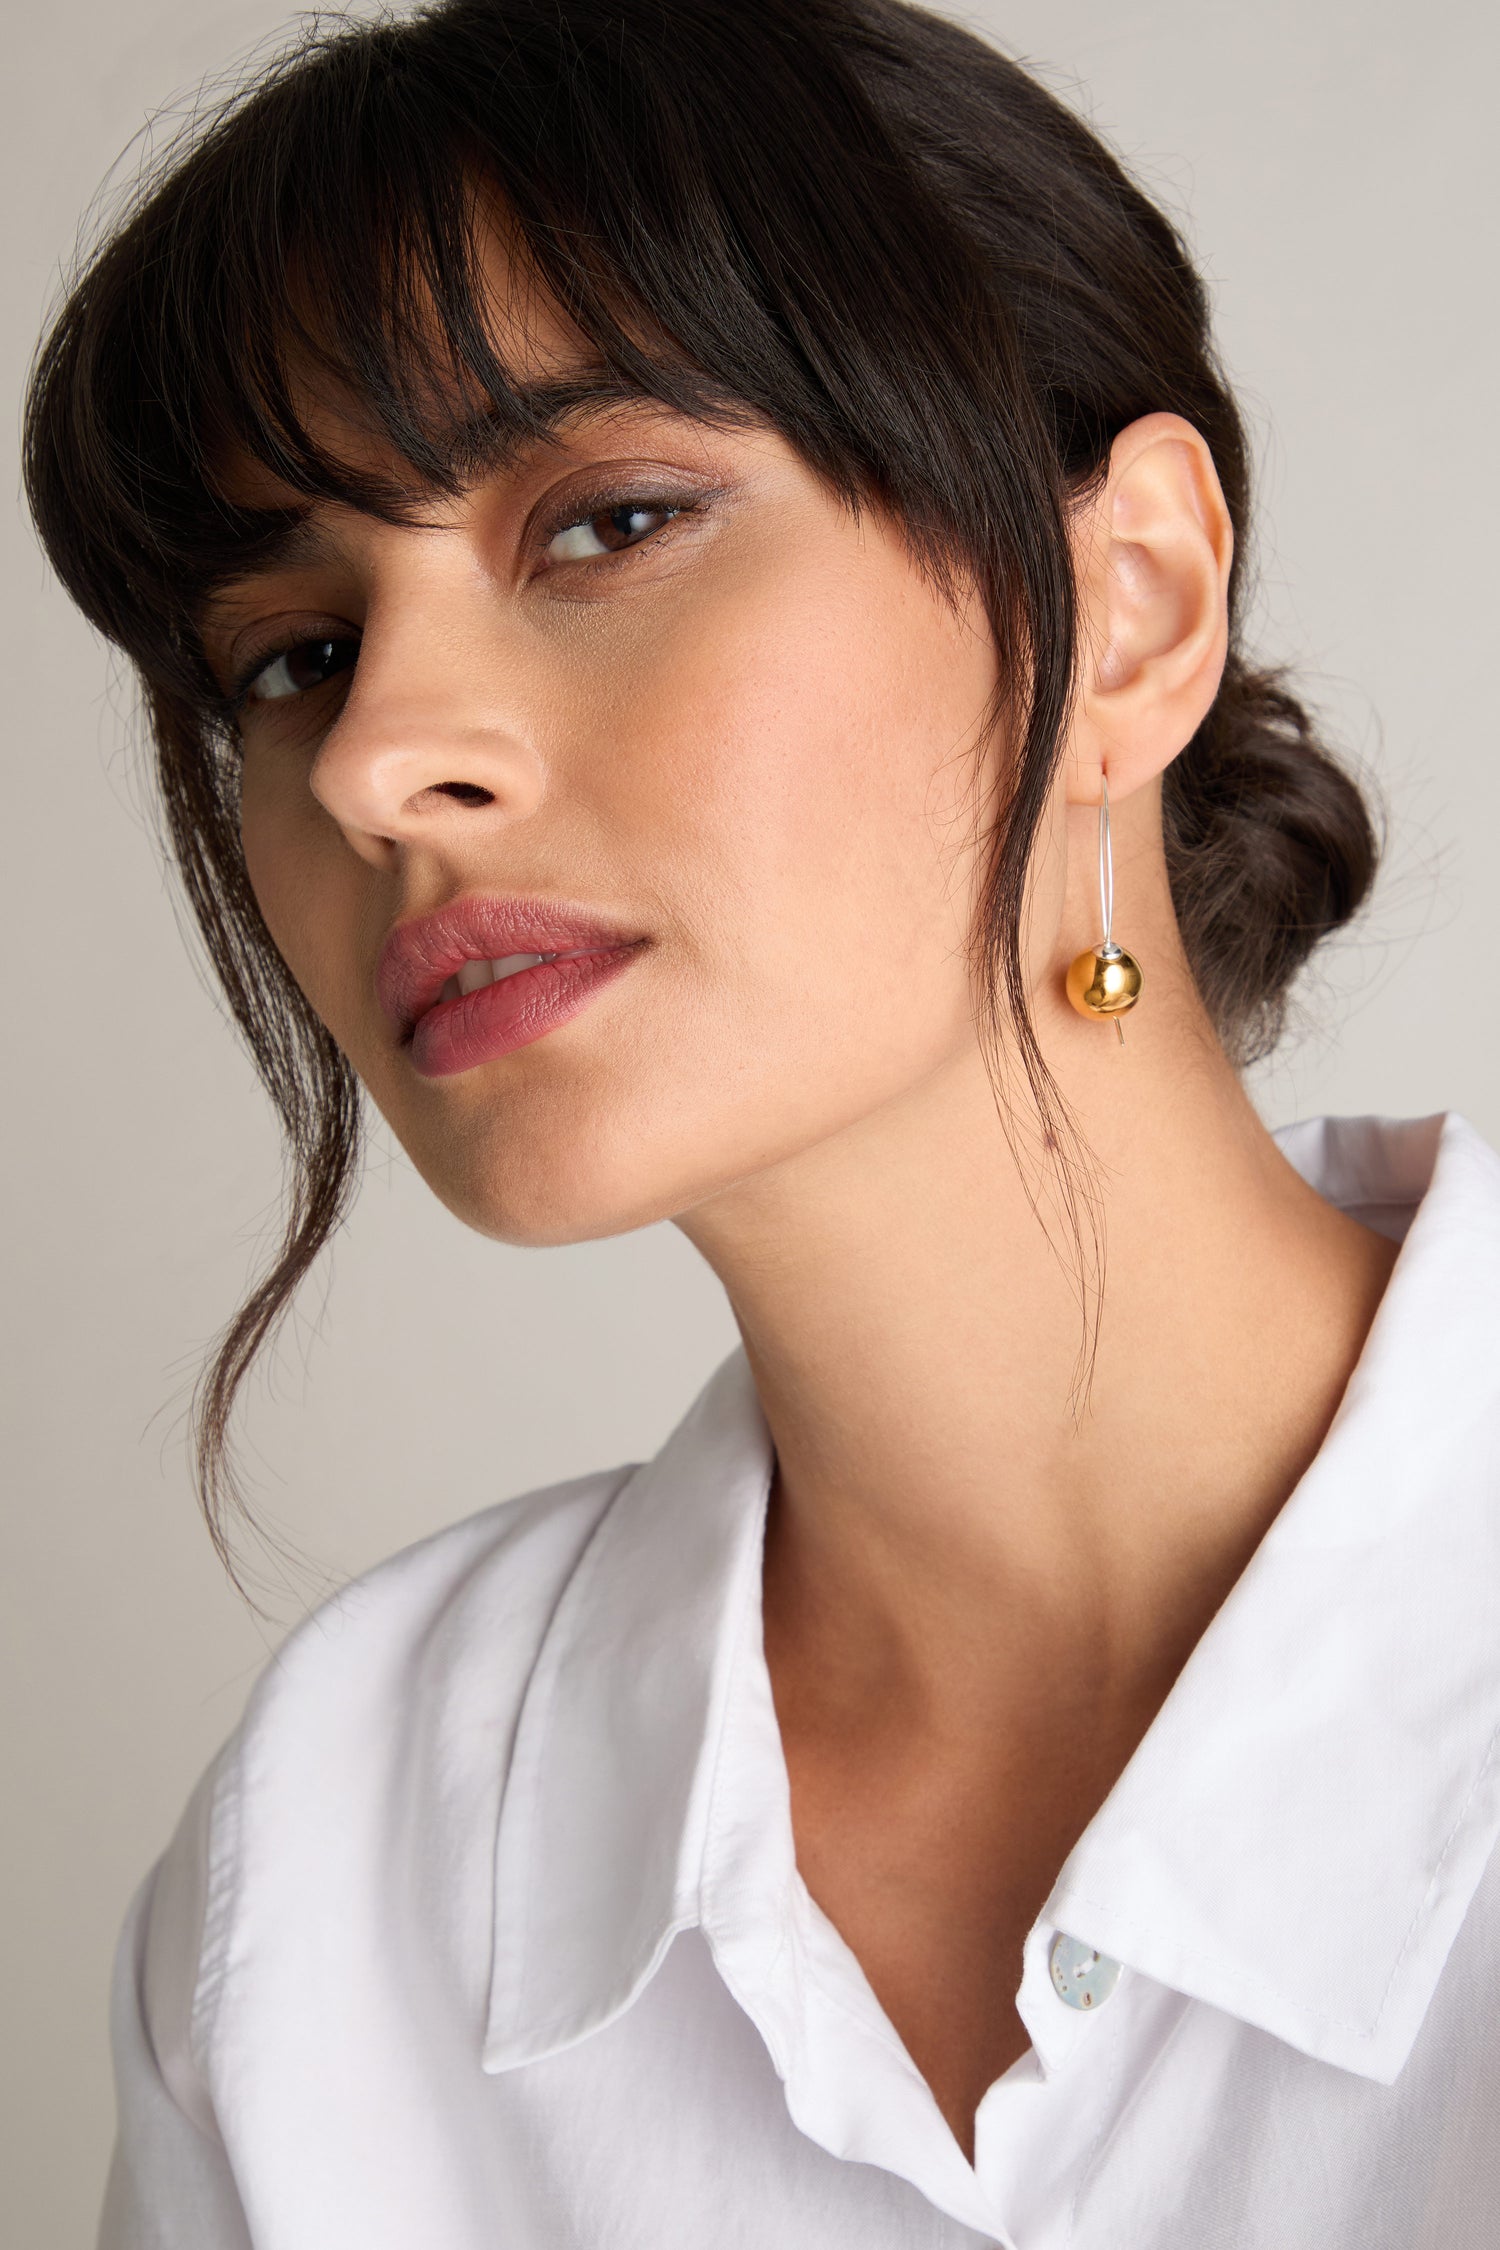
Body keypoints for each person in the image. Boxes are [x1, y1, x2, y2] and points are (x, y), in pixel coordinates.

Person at [23, 0, 1500, 2243]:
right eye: (288, 654)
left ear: (1129, 609)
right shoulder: (331, 1861)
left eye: (607, 520)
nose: (369, 760)